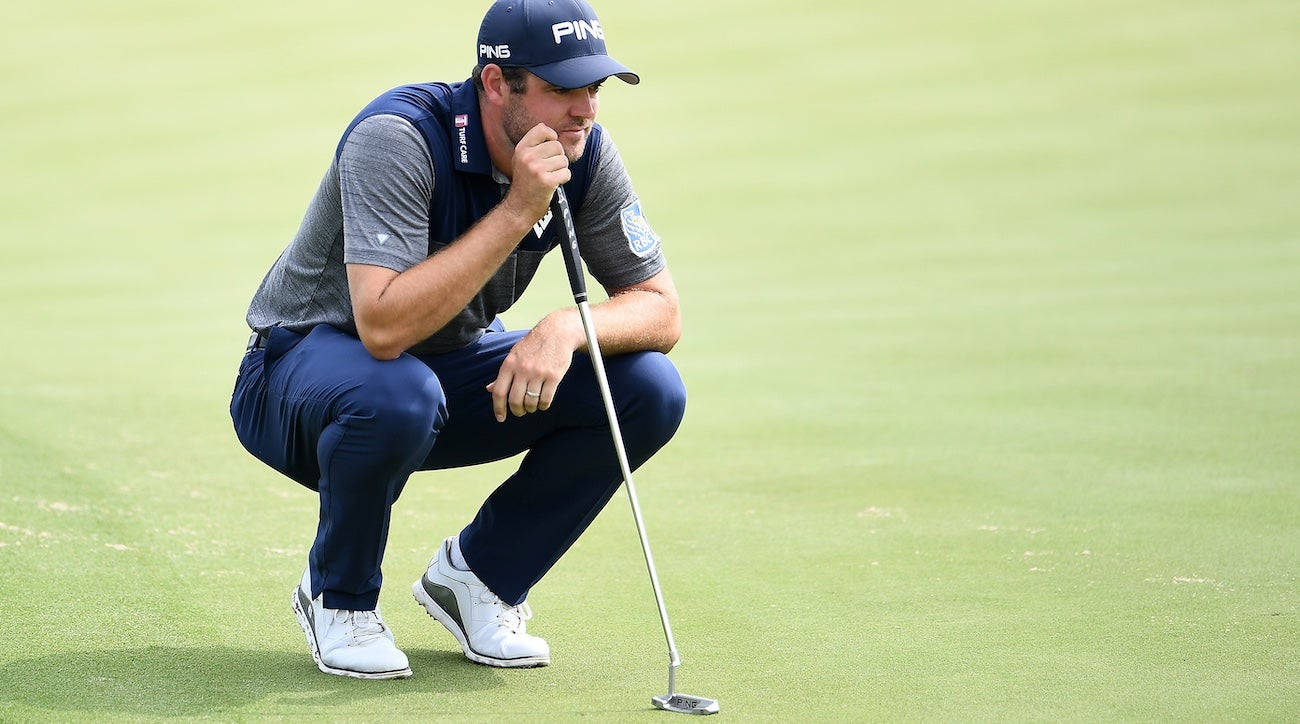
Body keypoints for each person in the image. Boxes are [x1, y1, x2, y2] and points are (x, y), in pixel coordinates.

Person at [229, 0, 685, 680]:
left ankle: (480, 580)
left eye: (593, 87)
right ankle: (338, 597)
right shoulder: (400, 137)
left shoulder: (585, 152)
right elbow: (382, 327)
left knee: (647, 389)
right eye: (561, 88)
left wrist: (564, 328)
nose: (584, 109)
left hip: (438, 378)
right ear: (497, 84)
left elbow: (660, 310)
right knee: (397, 393)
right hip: (297, 377)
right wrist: (518, 210)